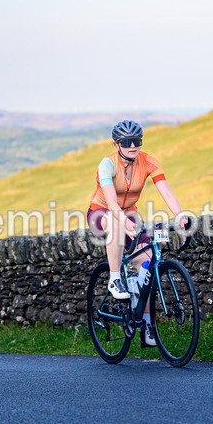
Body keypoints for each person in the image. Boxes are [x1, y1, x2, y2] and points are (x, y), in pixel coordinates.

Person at [87, 120, 188, 347]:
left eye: (137, 141)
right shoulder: (107, 164)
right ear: (116, 145)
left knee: (149, 263)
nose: (133, 146)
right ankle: (115, 279)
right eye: (127, 142)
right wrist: (122, 219)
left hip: (129, 213)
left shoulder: (149, 162)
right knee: (115, 223)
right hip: (101, 212)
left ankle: (146, 322)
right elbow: (112, 202)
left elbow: (167, 193)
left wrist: (180, 214)